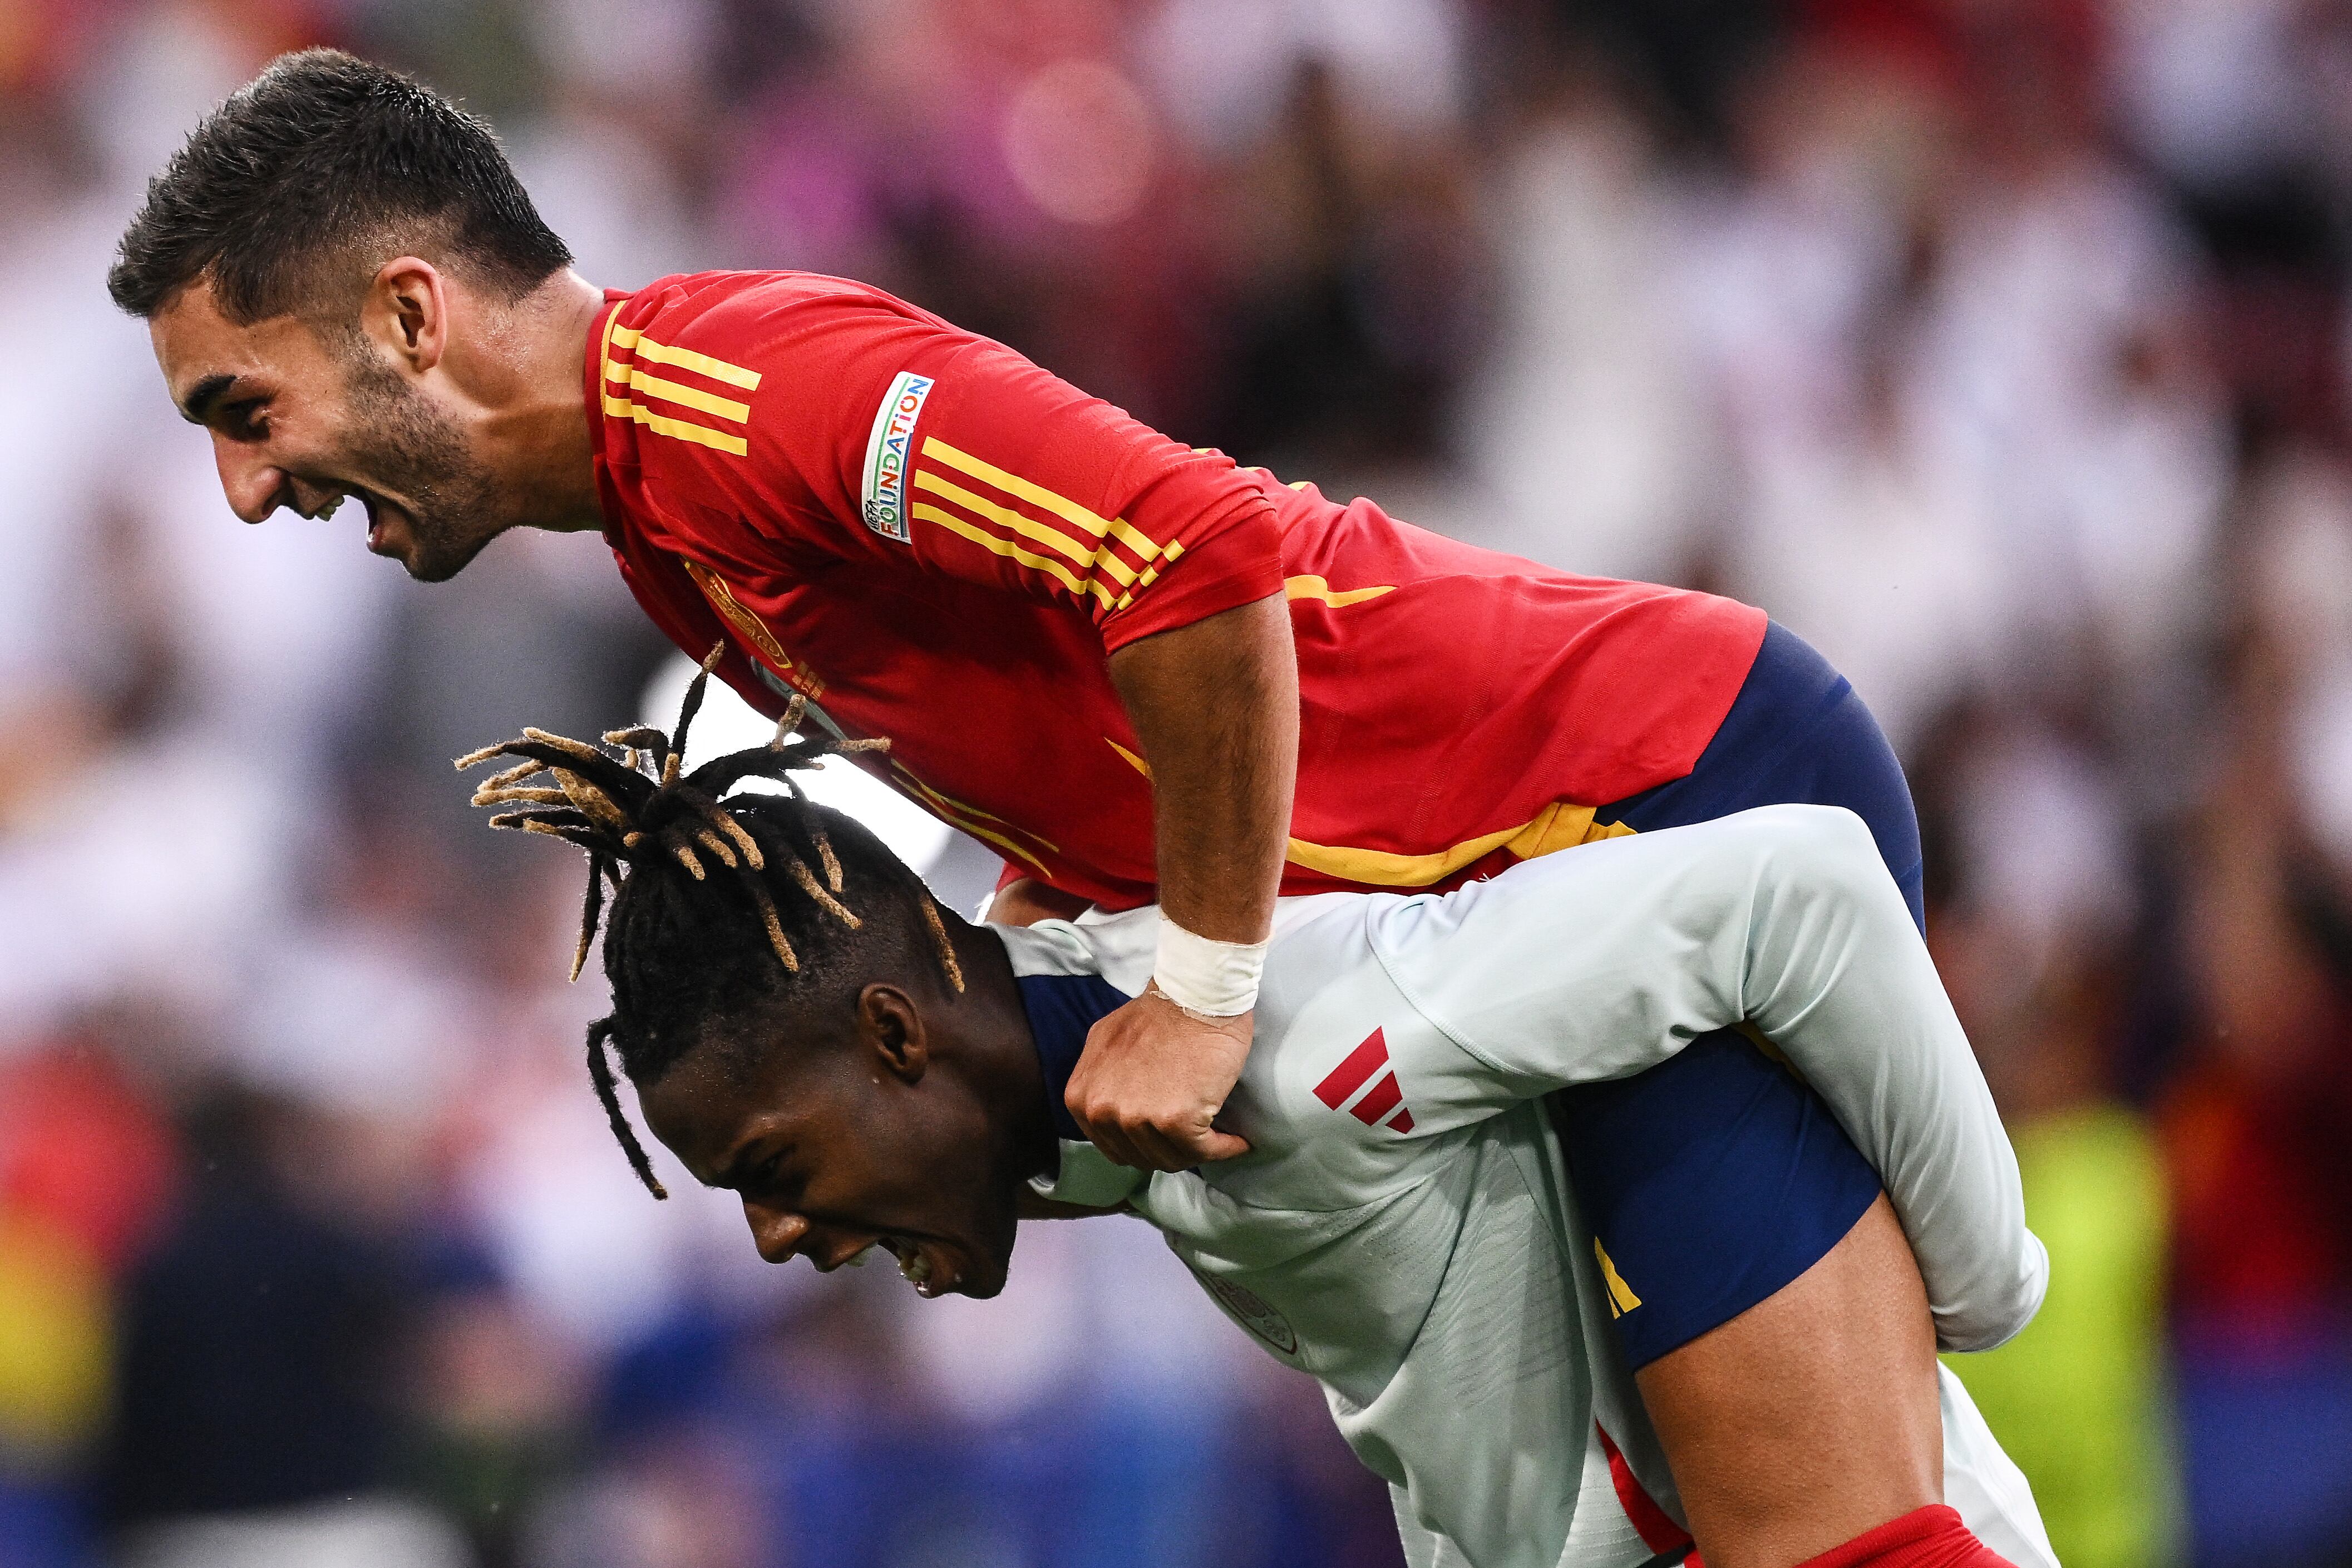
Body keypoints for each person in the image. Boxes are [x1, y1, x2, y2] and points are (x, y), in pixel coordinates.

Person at [116, 48, 1933, 1438]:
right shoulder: (663, 536)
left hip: (1663, 800)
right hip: (1497, 909)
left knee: (1808, 1534)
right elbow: (1066, 788)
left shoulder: (751, 403)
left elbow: (1196, 560)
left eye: (243, 410)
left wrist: (1203, 990)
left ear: (410, 318)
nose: (245, 485)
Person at [454, 681, 2053, 1568]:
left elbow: (1800, 885)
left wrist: (1991, 1274)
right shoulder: (1063, 1091)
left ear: (892, 1029)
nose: (779, 1237)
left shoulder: (1307, 1028)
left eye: (775, 1169)